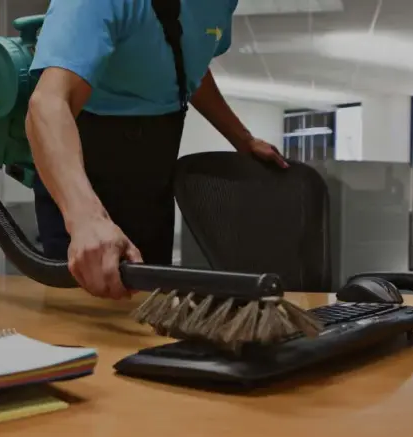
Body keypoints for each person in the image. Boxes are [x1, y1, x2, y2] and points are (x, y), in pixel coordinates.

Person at [26, 0, 287, 300]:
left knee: (152, 309)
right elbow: (47, 104)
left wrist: (243, 139)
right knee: (85, 318)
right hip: (85, 177)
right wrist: (86, 220)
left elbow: (189, 64)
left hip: (153, 178)